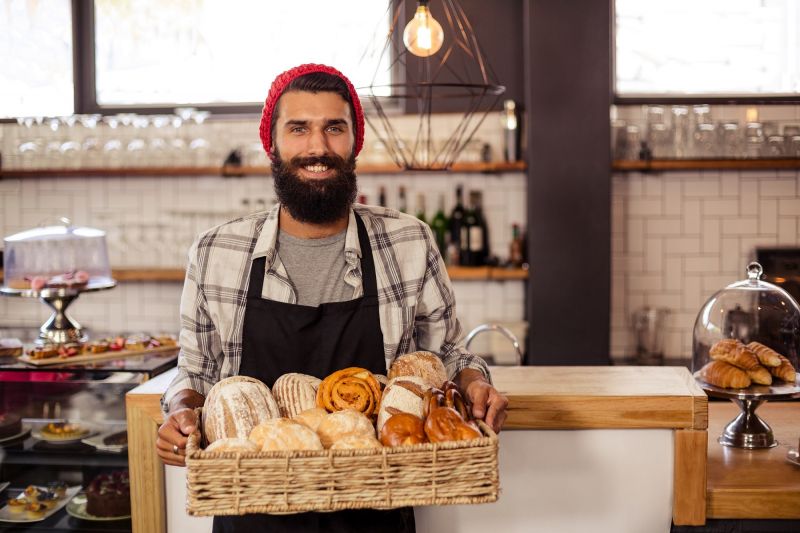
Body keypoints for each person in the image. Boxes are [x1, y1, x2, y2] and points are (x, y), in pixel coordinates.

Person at [156, 63, 508, 533]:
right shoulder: (217, 251)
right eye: (298, 128)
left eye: (334, 128)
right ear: (273, 144)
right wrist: (181, 410)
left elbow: (446, 354)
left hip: (376, 510)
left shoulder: (408, 241)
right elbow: (195, 369)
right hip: (254, 514)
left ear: (354, 141)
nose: (317, 148)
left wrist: (473, 383)